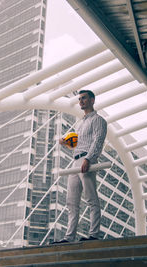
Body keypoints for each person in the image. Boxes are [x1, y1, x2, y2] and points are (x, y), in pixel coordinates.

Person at [55, 90, 107, 243]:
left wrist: (89, 159)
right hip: (75, 161)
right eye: (79, 99)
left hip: (86, 160)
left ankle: (94, 235)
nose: (81, 101)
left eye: (84, 98)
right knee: (71, 201)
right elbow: (79, 144)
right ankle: (69, 237)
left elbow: (98, 141)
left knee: (91, 198)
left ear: (92, 100)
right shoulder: (81, 123)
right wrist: (66, 143)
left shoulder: (98, 120)